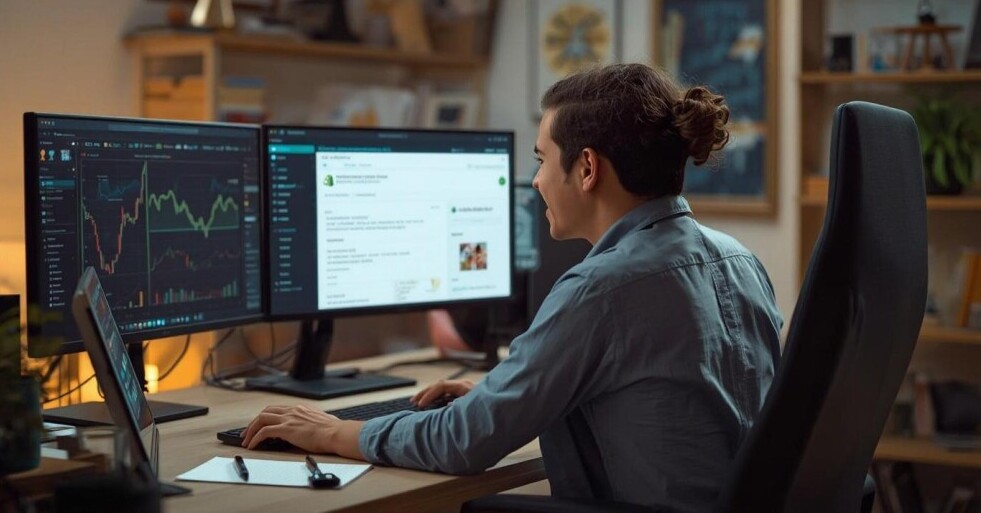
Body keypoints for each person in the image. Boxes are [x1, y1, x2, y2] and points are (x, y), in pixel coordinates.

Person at [242, 63, 783, 512]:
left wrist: (332, 432)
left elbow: (462, 443)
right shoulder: (741, 261)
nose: (538, 181)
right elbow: (672, 406)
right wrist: (507, 395)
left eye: (542, 160)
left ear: (587, 168)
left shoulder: (601, 288)